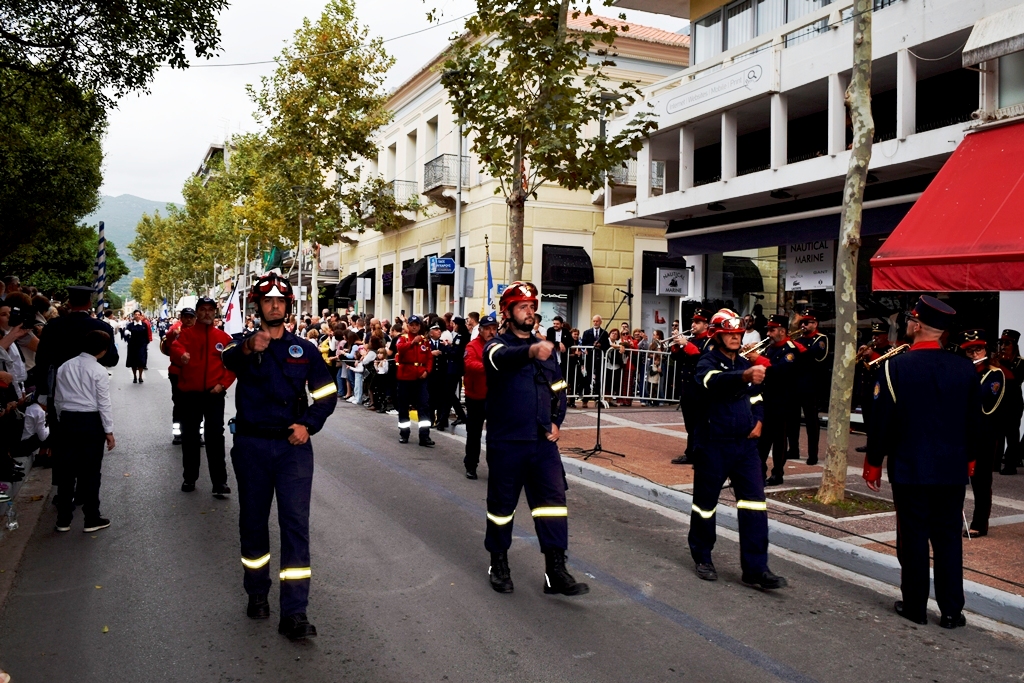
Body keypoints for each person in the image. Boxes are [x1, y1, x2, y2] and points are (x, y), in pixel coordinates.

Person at [221, 273, 338, 641]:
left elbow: (327, 393)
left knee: (296, 526)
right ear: (257, 306)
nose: (274, 306)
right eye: (268, 301)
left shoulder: (305, 349)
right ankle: (257, 592)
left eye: (281, 301)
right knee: (253, 522)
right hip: (252, 447)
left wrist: (309, 425)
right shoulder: (244, 344)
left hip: (293, 449)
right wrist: (247, 348)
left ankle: (295, 612)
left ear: (288, 306)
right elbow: (227, 360)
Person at [863, 295, 979, 629]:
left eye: (910, 321)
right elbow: (974, 421)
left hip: (910, 466)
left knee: (913, 538)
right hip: (952, 468)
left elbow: (881, 420)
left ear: (916, 326)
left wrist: (873, 461)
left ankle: (915, 606)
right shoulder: (965, 368)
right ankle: (952, 611)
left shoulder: (895, 366)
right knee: (948, 539)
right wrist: (970, 458)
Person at [483, 282, 587, 597]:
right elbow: (501, 359)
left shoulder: (545, 348)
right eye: (522, 307)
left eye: (532, 306)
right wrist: (531, 350)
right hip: (507, 442)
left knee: (553, 506)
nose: (530, 312)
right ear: (507, 312)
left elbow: (559, 388)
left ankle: (555, 571)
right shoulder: (496, 346)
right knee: (502, 507)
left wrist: (557, 420)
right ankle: (498, 564)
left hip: (542, 443)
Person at [689, 309, 785, 589]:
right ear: (717, 335)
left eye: (738, 332)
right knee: (705, 505)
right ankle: (702, 557)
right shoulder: (707, 361)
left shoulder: (743, 363)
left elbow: (756, 398)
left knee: (755, 504)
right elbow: (713, 382)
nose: (735, 337)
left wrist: (759, 420)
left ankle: (756, 569)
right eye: (729, 333)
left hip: (745, 447)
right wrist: (744, 375)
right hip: (713, 444)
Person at [169, 298, 235, 497]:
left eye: (210, 310)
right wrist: (181, 356)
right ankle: (189, 477)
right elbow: (174, 348)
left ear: (215, 313)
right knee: (190, 437)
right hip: (190, 394)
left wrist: (222, 385)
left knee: (215, 437)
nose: (207, 313)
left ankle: (219, 482)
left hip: (214, 394)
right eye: (203, 309)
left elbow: (231, 366)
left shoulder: (224, 338)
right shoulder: (186, 334)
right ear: (197, 312)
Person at [54, 330, 116, 532]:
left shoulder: (65, 366)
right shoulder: (99, 371)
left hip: (68, 419)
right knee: (91, 471)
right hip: (90, 421)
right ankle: (91, 517)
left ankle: (63, 519)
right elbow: (103, 403)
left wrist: (61, 418)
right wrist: (109, 430)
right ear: (103, 350)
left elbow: (58, 398)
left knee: (66, 471)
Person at [961, 329, 1004, 539]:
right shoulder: (963, 371)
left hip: (983, 435)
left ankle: (979, 523)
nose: (974, 354)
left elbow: (985, 402)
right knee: (956, 479)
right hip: (961, 432)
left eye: (977, 349)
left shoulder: (995, 374)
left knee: (981, 481)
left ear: (985, 350)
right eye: (969, 351)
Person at [757, 315, 803, 486]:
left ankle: (778, 473)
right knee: (762, 439)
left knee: (779, 440)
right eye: (768, 330)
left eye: (772, 330)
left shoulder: (790, 350)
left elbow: (780, 371)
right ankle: (759, 471)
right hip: (767, 399)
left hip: (783, 402)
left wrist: (758, 360)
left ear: (782, 331)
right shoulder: (770, 348)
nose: (768, 333)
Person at [670, 309, 715, 466]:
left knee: (699, 424)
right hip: (687, 388)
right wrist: (676, 344)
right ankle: (691, 452)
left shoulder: (709, 342)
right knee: (690, 423)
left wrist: (686, 344)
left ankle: (698, 453)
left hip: (699, 389)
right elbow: (676, 357)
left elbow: (701, 358)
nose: (693, 325)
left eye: (697, 322)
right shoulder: (692, 340)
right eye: (693, 322)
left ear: (706, 325)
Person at [790, 308, 829, 465]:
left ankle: (813, 454)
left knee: (811, 421)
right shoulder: (798, 339)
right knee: (792, 419)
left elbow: (814, 355)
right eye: (802, 323)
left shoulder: (821, 339)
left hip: (811, 385)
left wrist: (794, 345)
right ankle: (793, 449)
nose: (803, 325)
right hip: (795, 384)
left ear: (815, 323)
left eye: (807, 323)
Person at [463, 313, 497, 480]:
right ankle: (471, 465)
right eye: (488, 329)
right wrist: (489, 366)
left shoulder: (499, 345)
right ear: (481, 330)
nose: (491, 332)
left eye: (494, 328)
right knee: (474, 433)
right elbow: (470, 364)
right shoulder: (472, 346)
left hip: (494, 397)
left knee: (495, 435)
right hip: (475, 396)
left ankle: (495, 467)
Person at [395, 315, 435, 446]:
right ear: (408, 326)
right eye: (411, 325)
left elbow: (429, 358)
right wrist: (412, 343)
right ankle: (404, 434)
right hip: (405, 376)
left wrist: (427, 371)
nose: (414, 327)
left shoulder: (425, 341)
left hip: (420, 376)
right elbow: (400, 349)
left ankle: (424, 436)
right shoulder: (403, 338)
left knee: (424, 405)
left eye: (416, 325)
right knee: (403, 406)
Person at [854, 322, 893, 453]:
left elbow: (885, 367)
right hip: (866, 390)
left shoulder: (889, 350)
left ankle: (882, 445)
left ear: (886, 336)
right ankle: (870, 442)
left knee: (879, 420)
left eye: (878, 335)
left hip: (880, 391)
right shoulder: (870, 349)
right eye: (873, 335)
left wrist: (872, 355)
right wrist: (860, 356)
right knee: (868, 419)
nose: (875, 337)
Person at [161, 308, 197, 445]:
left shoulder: (200, 331)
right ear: (181, 318)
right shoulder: (176, 329)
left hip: (195, 373)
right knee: (179, 403)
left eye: (191, 317)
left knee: (197, 405)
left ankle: (197, 433)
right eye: (186, 317)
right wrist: (173, 332)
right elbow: (169, 337)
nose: (188, 319)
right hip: (178, 372)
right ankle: (178, 433)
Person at [996, 329, 1023, 475]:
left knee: (1012, 435)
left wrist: (999, 365)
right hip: (999, 401)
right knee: (997, 434)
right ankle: (995, 462)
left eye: (1007, 343)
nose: (1003, 346)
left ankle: (1010, 465)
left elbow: (1015, 378)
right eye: (1001, 343)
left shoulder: (1020, 362)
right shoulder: (998, 360)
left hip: (1013, 402)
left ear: (1014, 345)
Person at [580, 316, 610, 408]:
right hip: (589, 358)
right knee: (587, 379)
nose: (595, 323)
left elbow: (607, 345)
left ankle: (598, 399)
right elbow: (583, 344)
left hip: (599, 358)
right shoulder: (587, 332)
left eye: (597, 321)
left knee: (599, 379)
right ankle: (585, 399)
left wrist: (600, 345)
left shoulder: (604, 333)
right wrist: (592, 345)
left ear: (600, 322)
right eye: (594, 321)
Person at [124, 310, 152, 383]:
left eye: (138, 314)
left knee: (141, 361)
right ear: (133, 316)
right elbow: (126, 333)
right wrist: (127, 335)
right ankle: (134, 377)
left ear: (140, 316)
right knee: (133, 362)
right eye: (135, 314)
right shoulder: (130, 325)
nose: (137, 316)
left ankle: (140, 376)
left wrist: (147, 344)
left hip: (142, 345)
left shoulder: (144, 325)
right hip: (132, 346)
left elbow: (146, 335)